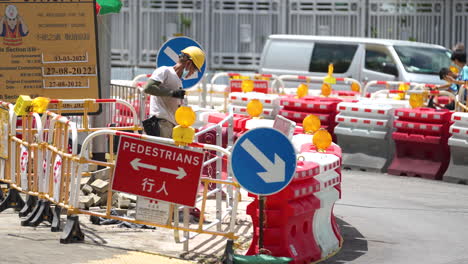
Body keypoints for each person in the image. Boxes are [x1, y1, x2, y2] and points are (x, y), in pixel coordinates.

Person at [143, 46, 205, 138]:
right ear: (188, 63)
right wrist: (173, 93)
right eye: (195, 69)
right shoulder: (164, 71)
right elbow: (148, 88)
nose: (193, 73)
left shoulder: (179, 81)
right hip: (162, 124)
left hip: (172, 126)